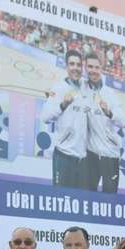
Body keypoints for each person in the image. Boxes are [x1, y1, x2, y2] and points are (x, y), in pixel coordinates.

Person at [41, 49, 88, 189]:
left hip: (83, 160)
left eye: (78, 65)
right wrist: (63, 104)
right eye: (72, 64)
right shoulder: (58, 88)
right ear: (66, 66)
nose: (75, 68)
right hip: (63, 157)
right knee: (61, 203)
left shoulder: (87, 89)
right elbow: (45, 117)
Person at [82, 52, 125, 193]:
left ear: (101, 68)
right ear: (85, 67)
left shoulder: (110, 94)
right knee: (88, 198)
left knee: (110, 200)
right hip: (91, 155)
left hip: (110, 156)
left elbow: (123, 121)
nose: (93, 70)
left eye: (96, 67)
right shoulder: (81, 89)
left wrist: (109, 112)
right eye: (90, 66)